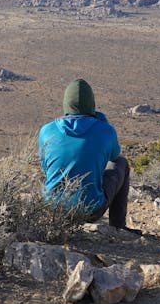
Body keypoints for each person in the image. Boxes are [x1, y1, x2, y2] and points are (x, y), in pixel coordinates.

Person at [38, 79, 139, 233]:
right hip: (90, 210)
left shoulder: (46, 130)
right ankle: (118, 226)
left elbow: (45, 166)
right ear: (92, 103)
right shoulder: (106, 130)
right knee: (121, 163)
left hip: (53, 209)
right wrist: (102, 122)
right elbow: (114, 156)